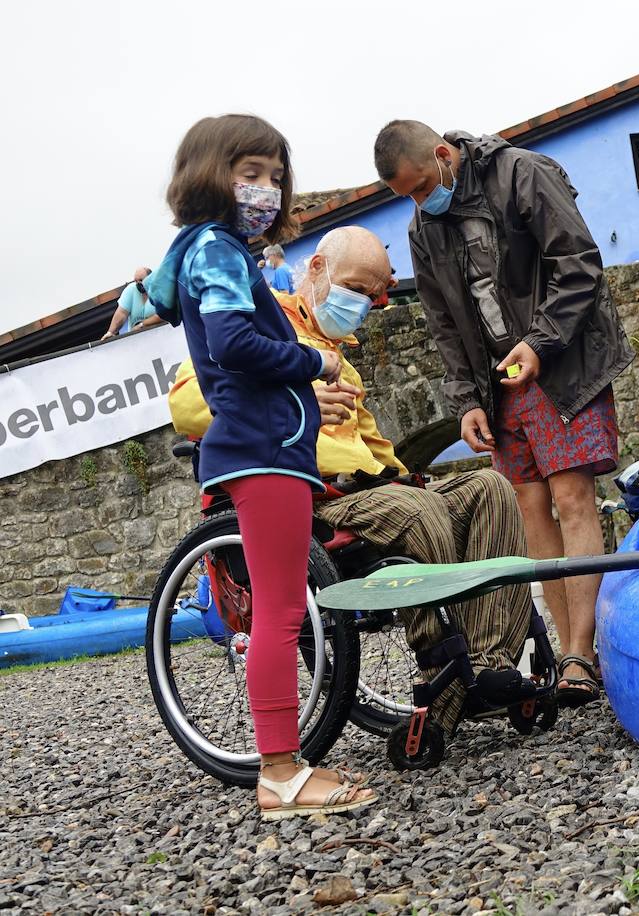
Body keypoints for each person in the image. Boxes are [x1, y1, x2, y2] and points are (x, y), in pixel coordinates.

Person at [168, 225, 537, 731]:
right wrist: (288, 398)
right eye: (356, 289)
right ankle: (444, 678)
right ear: (317, 269)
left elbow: (376, 449)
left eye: (372, 295)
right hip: (309, 494)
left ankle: (490, 666)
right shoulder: (252, 319)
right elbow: (187, 406)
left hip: (368, 491)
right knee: (416, 511)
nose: (363, 304)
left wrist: (409, 478)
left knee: (490, 489)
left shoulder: (341, 361)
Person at [147, 113, 375, 820]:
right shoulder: (216, 250)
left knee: (278, 609)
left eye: (275, 176)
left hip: (262, 446)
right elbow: (236, 345)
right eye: (249, 173)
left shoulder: (210, 251)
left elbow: (196, 323)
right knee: (279, 614)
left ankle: (284, 768)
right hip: (262, 449)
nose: (266, 190)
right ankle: (280, 773)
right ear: (209, 175)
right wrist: (315, 360)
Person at [373, 120, 634, 708]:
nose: (418, 204)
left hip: (562, 362)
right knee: (530, 505)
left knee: (572, 499)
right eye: (406, 197)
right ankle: (571, 652)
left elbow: (580, 266)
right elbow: (443, 326)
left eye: (420, 188)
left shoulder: (524, 172)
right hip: (500, 385)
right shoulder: (424, 230)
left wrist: (540, 344)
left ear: (443, 155)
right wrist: (465, 399)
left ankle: (578, 653)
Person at [101, 266, 165, 339]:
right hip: (136, 342)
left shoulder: (160, 290)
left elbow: (164, 314)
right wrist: (111, 332)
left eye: (141, 280)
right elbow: (121, 313)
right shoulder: (131, 290)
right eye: (136, 281)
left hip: (160, 337)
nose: (138, 283)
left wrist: (142, 325)